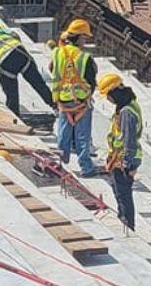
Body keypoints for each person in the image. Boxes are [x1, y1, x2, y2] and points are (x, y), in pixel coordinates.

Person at [51, 18, 99, 178]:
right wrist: (88, 94)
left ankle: (60, 160)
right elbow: (91, 80)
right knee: (82, 136)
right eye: (84, 38)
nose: (85, 41)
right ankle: (86, 167)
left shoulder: (58, 52)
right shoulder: (84, 57)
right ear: (78, 38)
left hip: (62, 99)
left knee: (63, 132)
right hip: (80, 102)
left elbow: (53, 69)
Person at [99, 72, 143, 230]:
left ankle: (127, 225)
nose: (108, 100)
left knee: (123, 194)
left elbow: (128, 139)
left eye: (108, 95)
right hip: (120, 157)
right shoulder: (129, 103)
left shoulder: (126, 113)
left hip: (125, 158)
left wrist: (127, 164)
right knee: (120, 192)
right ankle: (124, 220)